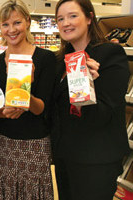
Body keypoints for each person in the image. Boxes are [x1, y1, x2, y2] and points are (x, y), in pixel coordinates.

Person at [52, 0, 130, 199]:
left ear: (89, 18)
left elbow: (105, 113)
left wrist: (86, 85)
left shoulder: (110, 54)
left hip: (96, 157)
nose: (66, 23)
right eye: (60, 19)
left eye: (73, 16)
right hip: (65, 155)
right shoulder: (60, 60)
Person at [0, 0, 56, 199]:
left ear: (27, 22)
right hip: (3, 140)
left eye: (17, 23)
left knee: (31, 191)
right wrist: (2, 110)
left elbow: (41, 108)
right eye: (5, 24)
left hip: (34, 140)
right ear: (0, 27)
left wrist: (26, 91)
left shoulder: (45, 59)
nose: (11, 30)